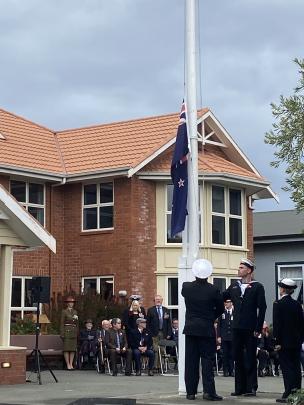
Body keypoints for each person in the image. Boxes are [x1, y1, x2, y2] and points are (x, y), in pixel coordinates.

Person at [182, 258, 224, 401]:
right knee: (207, 360)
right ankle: (209, 392)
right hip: (206, 328)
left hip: (191, 327)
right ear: (208, 274)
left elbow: (185, 295)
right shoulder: (213, 289)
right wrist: (211, 317)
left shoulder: (186, 287)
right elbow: (221, 308)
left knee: (191, 360)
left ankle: (190, 392)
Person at [223, 258, 267, 397]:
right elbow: (222, 297)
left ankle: (251, 387)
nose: (239, 269)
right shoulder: (234, 286)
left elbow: (263, 308)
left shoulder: (257, 286)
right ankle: (239, 388)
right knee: (237, 357)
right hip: (236, 328)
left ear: (249, 270)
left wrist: (258, 328)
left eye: (242, 267)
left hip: (250, 328)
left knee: (250, 357)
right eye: (239, 267)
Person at [273, 278, 304, 403]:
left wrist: (277, 342)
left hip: (284, 343)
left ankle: (288, 393)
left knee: (286, 368)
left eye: (281, 287)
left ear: (283, 289)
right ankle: (297, 393)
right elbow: (302, 324)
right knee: (296, 367)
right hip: (296, 342)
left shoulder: (278, 304)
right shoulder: (297, 305)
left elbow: (277, 325)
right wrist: (301, 339)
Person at [147, 294, 172, 369]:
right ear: (154, 301)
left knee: (162, 350)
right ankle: (155, 366)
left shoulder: (166, 310)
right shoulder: (150, 310)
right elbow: (148, 323)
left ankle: (161, 366)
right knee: (155, 350)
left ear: (162, 300)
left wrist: (169, 333)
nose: (158, 300)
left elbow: (168, 322)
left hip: (163, 333)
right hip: (154, 333)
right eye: (156, 299)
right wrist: (149, 333)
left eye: (159, 299)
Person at [60, 296, 78, 370]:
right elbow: (62, 323)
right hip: (67, 331)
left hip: (73, 331)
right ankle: (67, 364)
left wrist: (77, 332)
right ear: (67, 304)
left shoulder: (75, 312)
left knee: (72, 349)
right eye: (70, 302)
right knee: (66, 349)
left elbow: (77, 323)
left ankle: (71, 363)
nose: (71, 304)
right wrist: (62, 333)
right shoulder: (64, 311)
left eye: (72, 302)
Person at [218, 299, 234, 377]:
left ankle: (232, 370)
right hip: (224, 337)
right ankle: (225, 371)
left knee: (232, 354)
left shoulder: (235, 312)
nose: (226, 304)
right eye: (225, 302)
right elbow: (219, 326)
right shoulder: (222, 313)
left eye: (228, 302)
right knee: (225, 354)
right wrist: (219, 336)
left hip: (232, 337)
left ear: (231, 303)